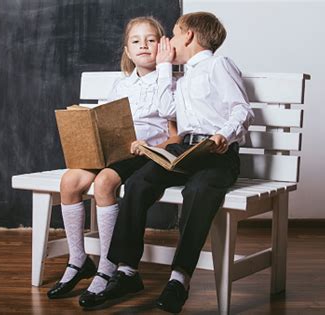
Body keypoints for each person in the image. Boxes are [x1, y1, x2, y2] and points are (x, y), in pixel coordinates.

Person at [98, 12, 255, 313]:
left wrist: (223, 135)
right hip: (185, 150)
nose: (166, 41)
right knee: (139, 182)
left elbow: (242, 110)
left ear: (189, 36)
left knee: (197, 190)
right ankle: (126, 269)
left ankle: (179, 278)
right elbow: (165, 107)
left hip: (216, 153)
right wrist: (164, 68)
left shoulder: (217, 65)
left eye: (172, 34)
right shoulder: (181, 75)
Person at [47, 16, 180, 308]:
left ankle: (108, 266)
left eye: (151, 40)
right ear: (127, 51)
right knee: (70, 181)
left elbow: (175, 137)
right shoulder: (122, 85)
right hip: (112, 150)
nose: (143, 45)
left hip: (141, 153)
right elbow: (106, 123)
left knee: (105, 182)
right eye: (136, 41)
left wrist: (150, 147)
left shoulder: (168, 82)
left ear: (163, 46)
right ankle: (79, 260)